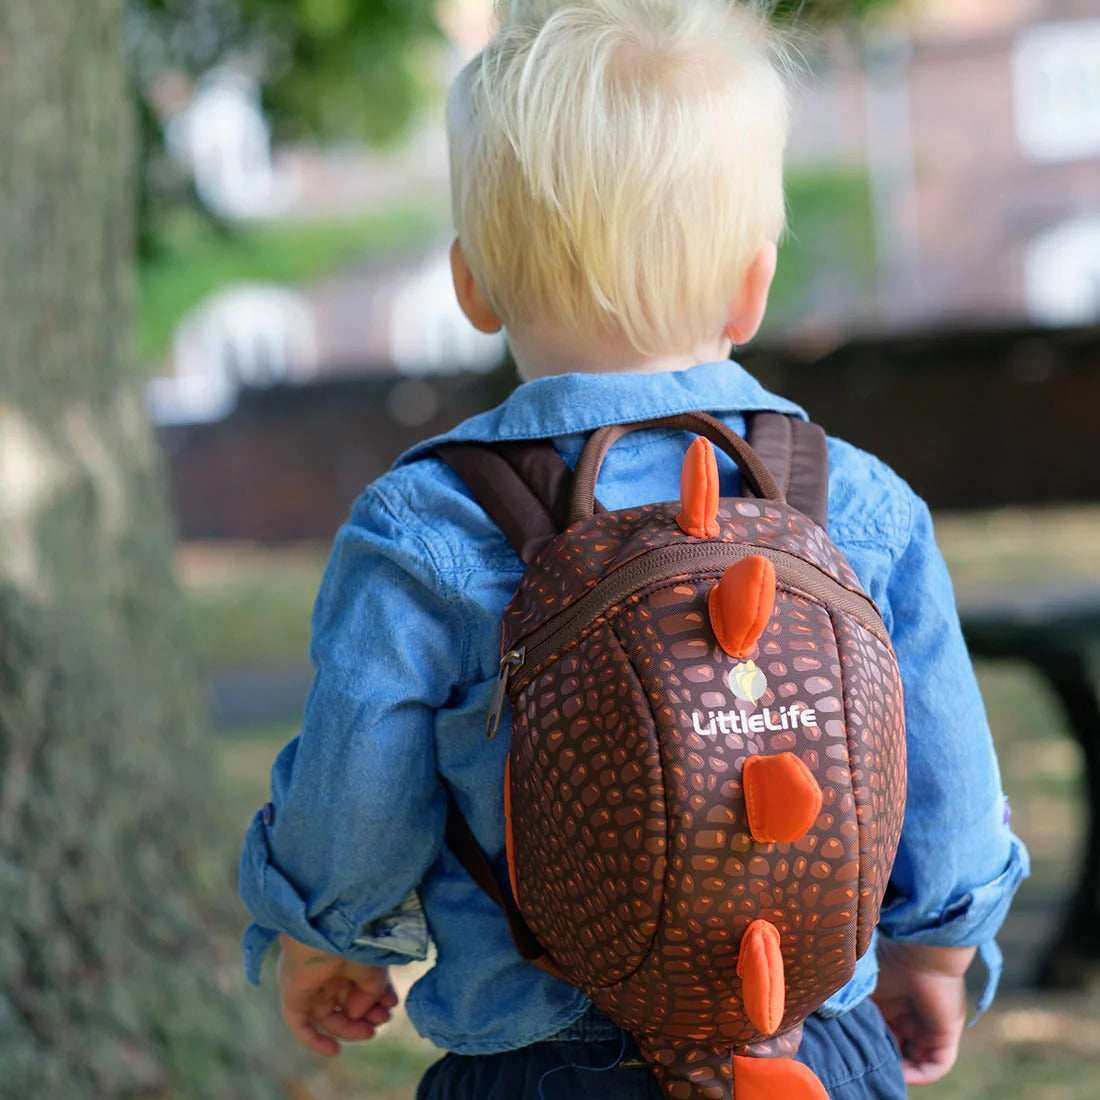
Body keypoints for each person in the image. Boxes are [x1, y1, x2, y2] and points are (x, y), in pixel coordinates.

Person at [239, 2, 1028, 1096]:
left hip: (541, 1061)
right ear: (754, 284)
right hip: (808, 1043)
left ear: (470, 285)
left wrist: (324, 937)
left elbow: (356, 798)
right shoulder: (855, 503)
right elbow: (948, 782)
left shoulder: (426, 522)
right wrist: (937, 952)